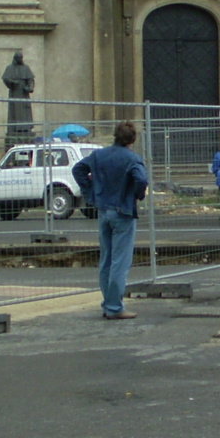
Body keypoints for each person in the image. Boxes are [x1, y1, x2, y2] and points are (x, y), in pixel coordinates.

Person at [72, 121, 149, 320]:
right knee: (120, 262)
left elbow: (78, 169)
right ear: (132, 139)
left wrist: (91, 191)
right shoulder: (133, 158)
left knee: (106, 260)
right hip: (123, 211)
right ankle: (115, 306)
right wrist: (137, 195)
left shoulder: (99, 155)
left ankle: (109, 303)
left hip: (103, 210)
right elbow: (141, 180)